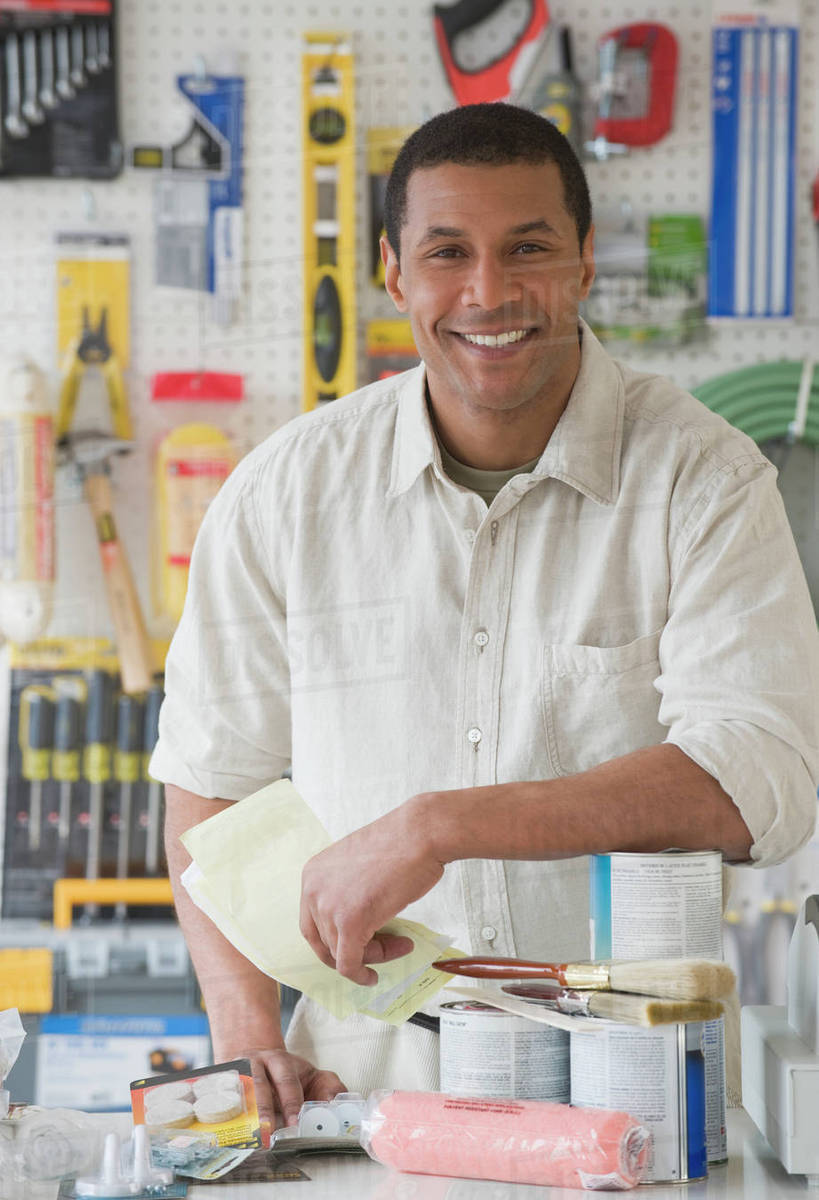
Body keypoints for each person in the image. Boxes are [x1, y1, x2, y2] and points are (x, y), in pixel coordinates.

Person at [151, 102, 819, 1133]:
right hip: (370, 1097)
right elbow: (210, 790)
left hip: (639, 1098)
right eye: (448, 252)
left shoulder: (708, 481)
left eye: (530, 250)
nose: (490, 293)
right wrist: (244, 1027)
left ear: (587, 262)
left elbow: (760, 781)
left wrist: (442, 826)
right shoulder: (286, 492)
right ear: (394, 274)